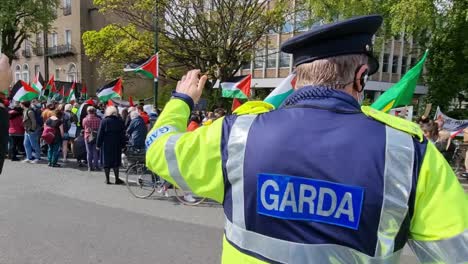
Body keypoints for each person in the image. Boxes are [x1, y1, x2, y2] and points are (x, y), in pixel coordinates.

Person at [145, 15, 468, 263]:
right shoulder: (409, 151)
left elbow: (158, 148)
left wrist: (181, 100)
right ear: (360, 77)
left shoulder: (236, 134)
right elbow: (456, 251)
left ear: (297, 78)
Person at [96, 106, 126, 184]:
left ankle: (107, 179)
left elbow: (100, 134)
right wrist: (123, 145)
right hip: (116, 144)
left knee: (106, 162)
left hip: (106, 144)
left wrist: (98, 145)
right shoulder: (119, 121)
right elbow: (122, 134)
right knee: (116, 162)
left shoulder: (104, 121)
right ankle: (117, 179)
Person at [82, 106, 101, 171]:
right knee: (95, 151)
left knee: (89, 152)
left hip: (87, 135)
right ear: (94, 111)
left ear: (88, 111)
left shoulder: (85, 119)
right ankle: (96, 166)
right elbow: (99, 127)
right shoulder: (98, 119)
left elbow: (83, 126)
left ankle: (90, 167)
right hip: (96, 136)